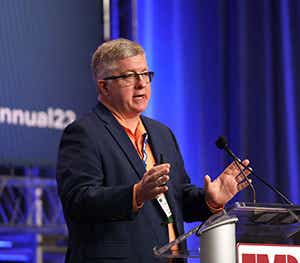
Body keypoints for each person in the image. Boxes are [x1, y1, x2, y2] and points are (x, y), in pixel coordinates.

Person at [56, 38, 250, 263]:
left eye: (145, 74)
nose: (141, 84)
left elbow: (178, 198)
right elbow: (78, 200)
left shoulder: (161, 133)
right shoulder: (84, 133)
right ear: (104, 86)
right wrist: (135, 194)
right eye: (129, 76)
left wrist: (210, 200)